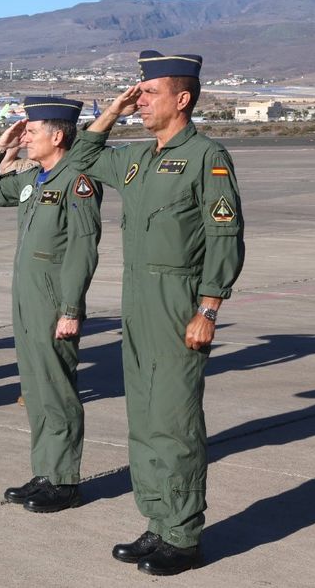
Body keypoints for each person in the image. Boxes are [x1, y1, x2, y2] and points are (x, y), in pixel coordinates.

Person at [69, 51, 245, 575]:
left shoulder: (206, 156)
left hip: (178, 299)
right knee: (143, 420)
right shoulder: (140, 158)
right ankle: (158, 522)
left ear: (182, 98)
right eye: (137, 94)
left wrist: (209, 308)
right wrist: (112, 110)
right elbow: (79, 158)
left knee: (174, 421)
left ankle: (185, 536)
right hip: (136, 300)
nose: (139, 101)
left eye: (148, 93)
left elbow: (225, 236)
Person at [0, 97, 102, 513]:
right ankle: (45, 471)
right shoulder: (35, 179)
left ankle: (64, 481)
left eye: (31, 130)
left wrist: (71, 309)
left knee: (57, 389)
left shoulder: (77, 180)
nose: (24, 137)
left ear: (58, 135)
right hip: (25, 297)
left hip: (52, 299)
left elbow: (83, 249)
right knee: (35, 387)